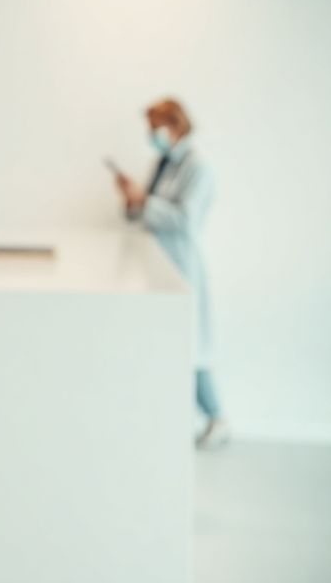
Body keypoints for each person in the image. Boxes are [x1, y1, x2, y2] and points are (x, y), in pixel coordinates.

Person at [113, 98, 228, 449]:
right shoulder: (161, 162)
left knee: (192, 348)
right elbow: (143, 214)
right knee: (167, 346)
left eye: (156, 126)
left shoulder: (199, 166)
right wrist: (132, 200)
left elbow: (185, 220)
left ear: (175, 124)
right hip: (155, 265)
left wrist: (145, 202)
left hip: (182, 266)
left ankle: (215, 417)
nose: (151, 134)